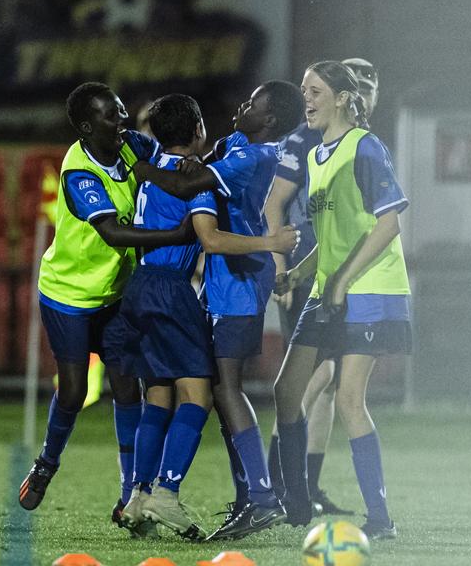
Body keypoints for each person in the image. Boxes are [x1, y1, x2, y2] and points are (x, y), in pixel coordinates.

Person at [117, 94, 298, 540]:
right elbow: (206, 158)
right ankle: (179, 494)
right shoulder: (236, 142)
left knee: (213, 389)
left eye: (254, 102)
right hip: (193, 289)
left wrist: (145, 163)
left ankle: (257, 496)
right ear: (196, 129)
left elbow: (193, 191)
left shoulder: (256, 156)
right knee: (199, 392)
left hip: (235, 287)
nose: (242, 104)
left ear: (270, 118)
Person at [18, 82, 195, 523]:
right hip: (69, 295)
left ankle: (127, 496)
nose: (121, 121)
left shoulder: (130, 145)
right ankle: (46, 464)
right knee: (75, 391)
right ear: (84, 127)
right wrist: (176, 236)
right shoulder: (78, 173)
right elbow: (113, 233)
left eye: (120, 111)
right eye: (109, 116)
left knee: (125, 386)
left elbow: (163, 165)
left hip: (115, 293)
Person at [272, 61, 411, 538]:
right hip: (329, 289)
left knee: (349, 398)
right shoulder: (314, 157)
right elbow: (329, 240)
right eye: (304, 91)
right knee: (288, 391)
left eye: (314, 91)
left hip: (370, 290)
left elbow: (389, 223)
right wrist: (295, 274)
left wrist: (342, 281)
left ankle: (380, 519)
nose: (306, 100)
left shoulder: (366, 148)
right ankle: (293, 500)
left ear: (341, 99)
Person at [264, 57, 378, 516]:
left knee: (330, 385)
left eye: (373, 82)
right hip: (312, 275)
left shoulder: (360, 143)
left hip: (343, 274)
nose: (368, 89)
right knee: (311, 379)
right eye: (360, 81)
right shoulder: (305, 139)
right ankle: (279, 483)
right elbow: (274, 206)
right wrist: (281, 267)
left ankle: (306, 486)